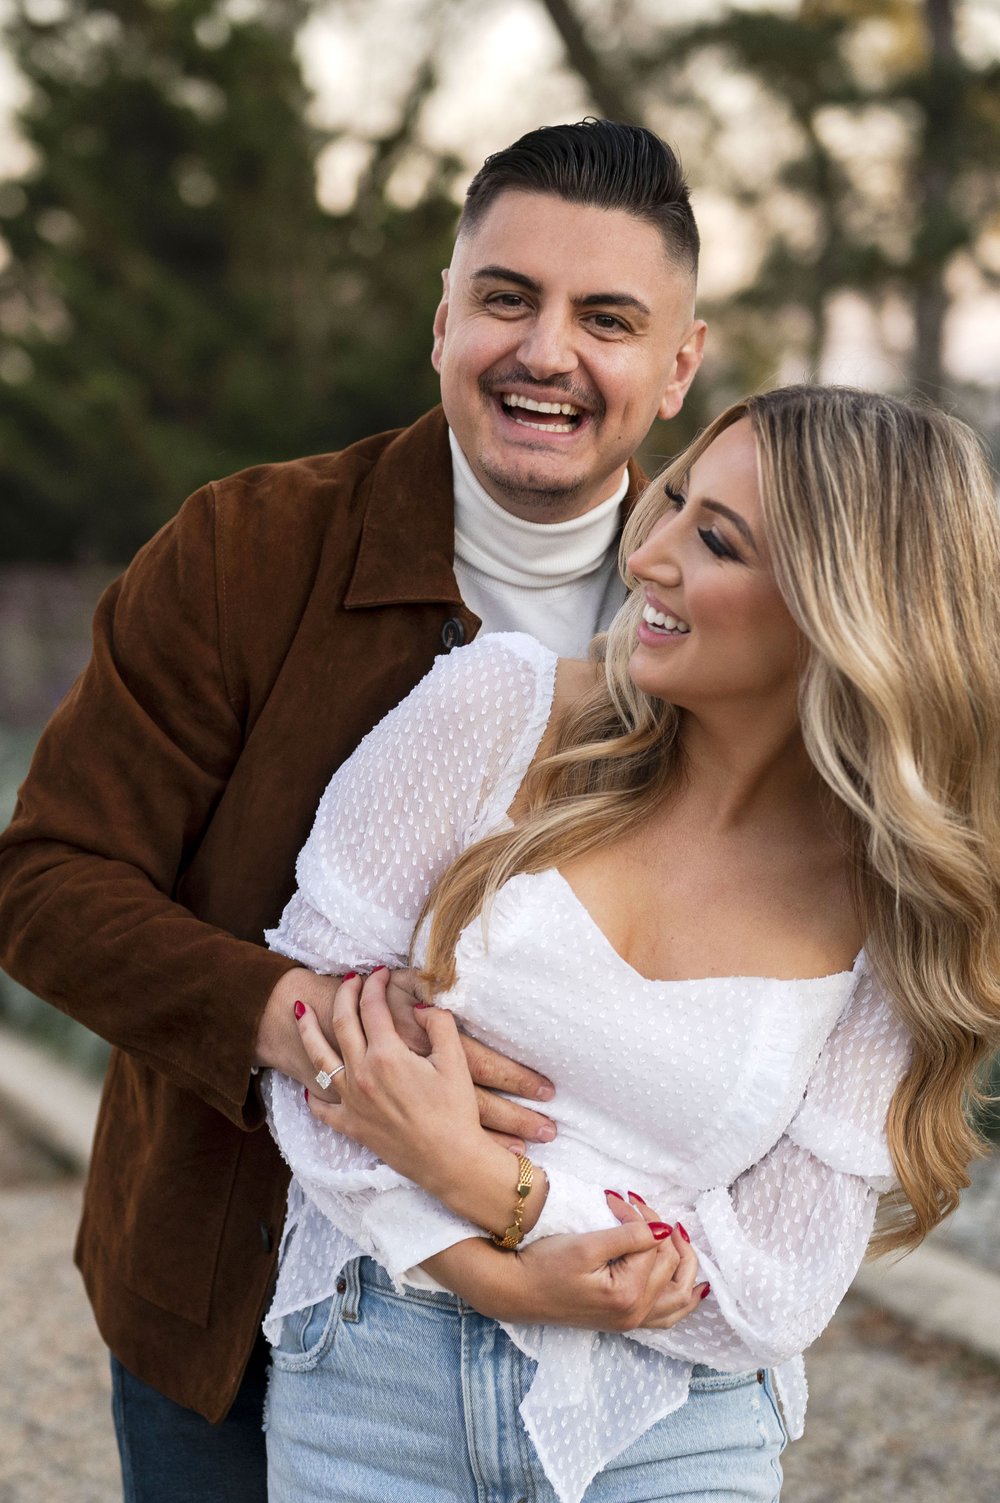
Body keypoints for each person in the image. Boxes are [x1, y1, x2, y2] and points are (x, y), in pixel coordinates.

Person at [0, 119, 706, 1499]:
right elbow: (45, 880)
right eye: (507, 298)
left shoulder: (730, 606)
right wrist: (316, 1029)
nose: (546, 352)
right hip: (238, 1297)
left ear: (679, 363)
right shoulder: (243, 549)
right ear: (442, 321)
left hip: (603, 1317)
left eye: (607, 319)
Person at [259, 385, 1000, 1503]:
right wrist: (494, 1274)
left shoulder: (895, 911)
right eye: (674, 505)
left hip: (670, 1422)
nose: (647, 556)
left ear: (842, 610)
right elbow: (313, 1045)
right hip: (377, 1378)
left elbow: (773, 1289)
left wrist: (480, 1177)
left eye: (716, 541)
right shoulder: (496, 712)